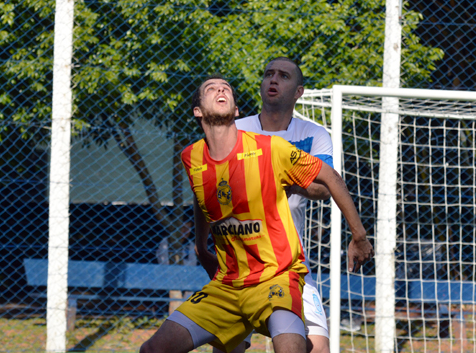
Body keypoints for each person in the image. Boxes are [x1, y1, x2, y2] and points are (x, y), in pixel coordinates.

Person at [140, 75, 373, 353]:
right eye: (211, 89)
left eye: (226, 88)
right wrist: (201, 247)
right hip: (227, 286)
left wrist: (358, 235)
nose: (221, 90)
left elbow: (332, 178)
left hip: (276, 277)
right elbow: (201, 197)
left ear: (236, 111)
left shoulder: (270, 148)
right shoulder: (192, 157)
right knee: (152, 350)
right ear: (197, 111)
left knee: (296, 348)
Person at [234, 57, 333, 353]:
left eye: (284, 76)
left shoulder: (314, 134)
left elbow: (324, 186)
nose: (273, 80)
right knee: (229, 347)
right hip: (240, 263)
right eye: (268, 74)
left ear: (299, 91)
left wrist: (275, 179)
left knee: (317, 347)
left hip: (290, 263)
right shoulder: (237, 131)